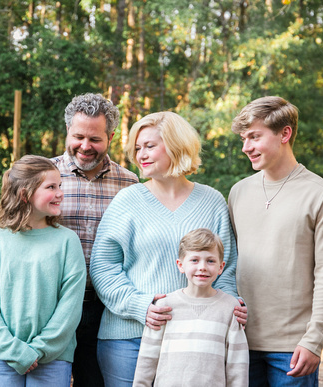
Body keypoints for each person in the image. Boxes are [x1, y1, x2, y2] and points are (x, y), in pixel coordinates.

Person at [0, 93, 139, 387]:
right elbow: (10, 232)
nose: (85, 146)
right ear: (67, 132)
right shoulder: (42, 174)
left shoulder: (130, 185)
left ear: (111, 137)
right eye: (78, 136)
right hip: (40, 303)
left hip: (103, 309)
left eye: (95, 139)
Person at [89, 111, 245, 387]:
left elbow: (226, 266)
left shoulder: (211, 201)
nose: (141, 155)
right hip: (128, 337)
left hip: (194, 336)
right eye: (137, 148)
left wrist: (231, 307)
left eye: (150, 146)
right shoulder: (127, 201)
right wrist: (141, 306)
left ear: (175, 145)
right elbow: (104, 267)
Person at [228, 96, 323, 386]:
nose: (246, 147)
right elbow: (228, 263)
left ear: (285, 134)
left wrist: (314, 338)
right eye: (244, 139)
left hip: (293, 347)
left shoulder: (322, 194)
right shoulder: (238, 192)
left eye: (254, 137)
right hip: (239, 339)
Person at [0, 155, 86, 386]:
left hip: (53, 357)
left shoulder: (67, 241)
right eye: (51, 187)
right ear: (25, 194)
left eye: (60, 186)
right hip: (1, 356)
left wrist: (39, 349)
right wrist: (13, 350)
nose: (60, 194)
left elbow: (70, 305)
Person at [133, 228, 249, 387]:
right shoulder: (164, 307)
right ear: (180, 265)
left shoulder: (230, 307)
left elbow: (237, 365)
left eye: (210, 261)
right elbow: (147, 359)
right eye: (194, 260)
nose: (202, 267)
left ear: (221, 267)